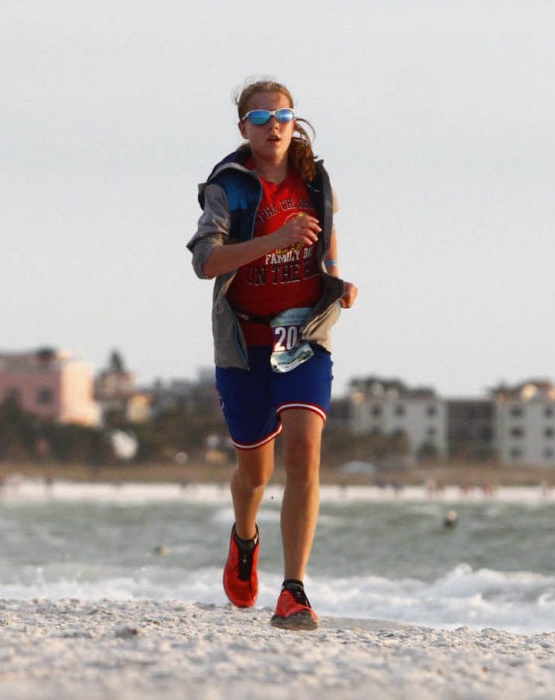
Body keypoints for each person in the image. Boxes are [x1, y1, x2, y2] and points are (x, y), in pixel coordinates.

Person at [186, 77, 357, 631]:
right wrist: (272, 240)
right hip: (244, 341)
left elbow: (326, 245)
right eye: (259, 119)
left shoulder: (316, 180)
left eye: (282, 115)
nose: (273, 126)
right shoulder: (228, 187)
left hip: (299, 334)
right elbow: (205, 262)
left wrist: (336, 279)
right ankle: (244, 536)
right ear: (244, 129)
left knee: (305, 449)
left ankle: (294, 590)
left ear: (293, 120)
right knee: (254, 475)